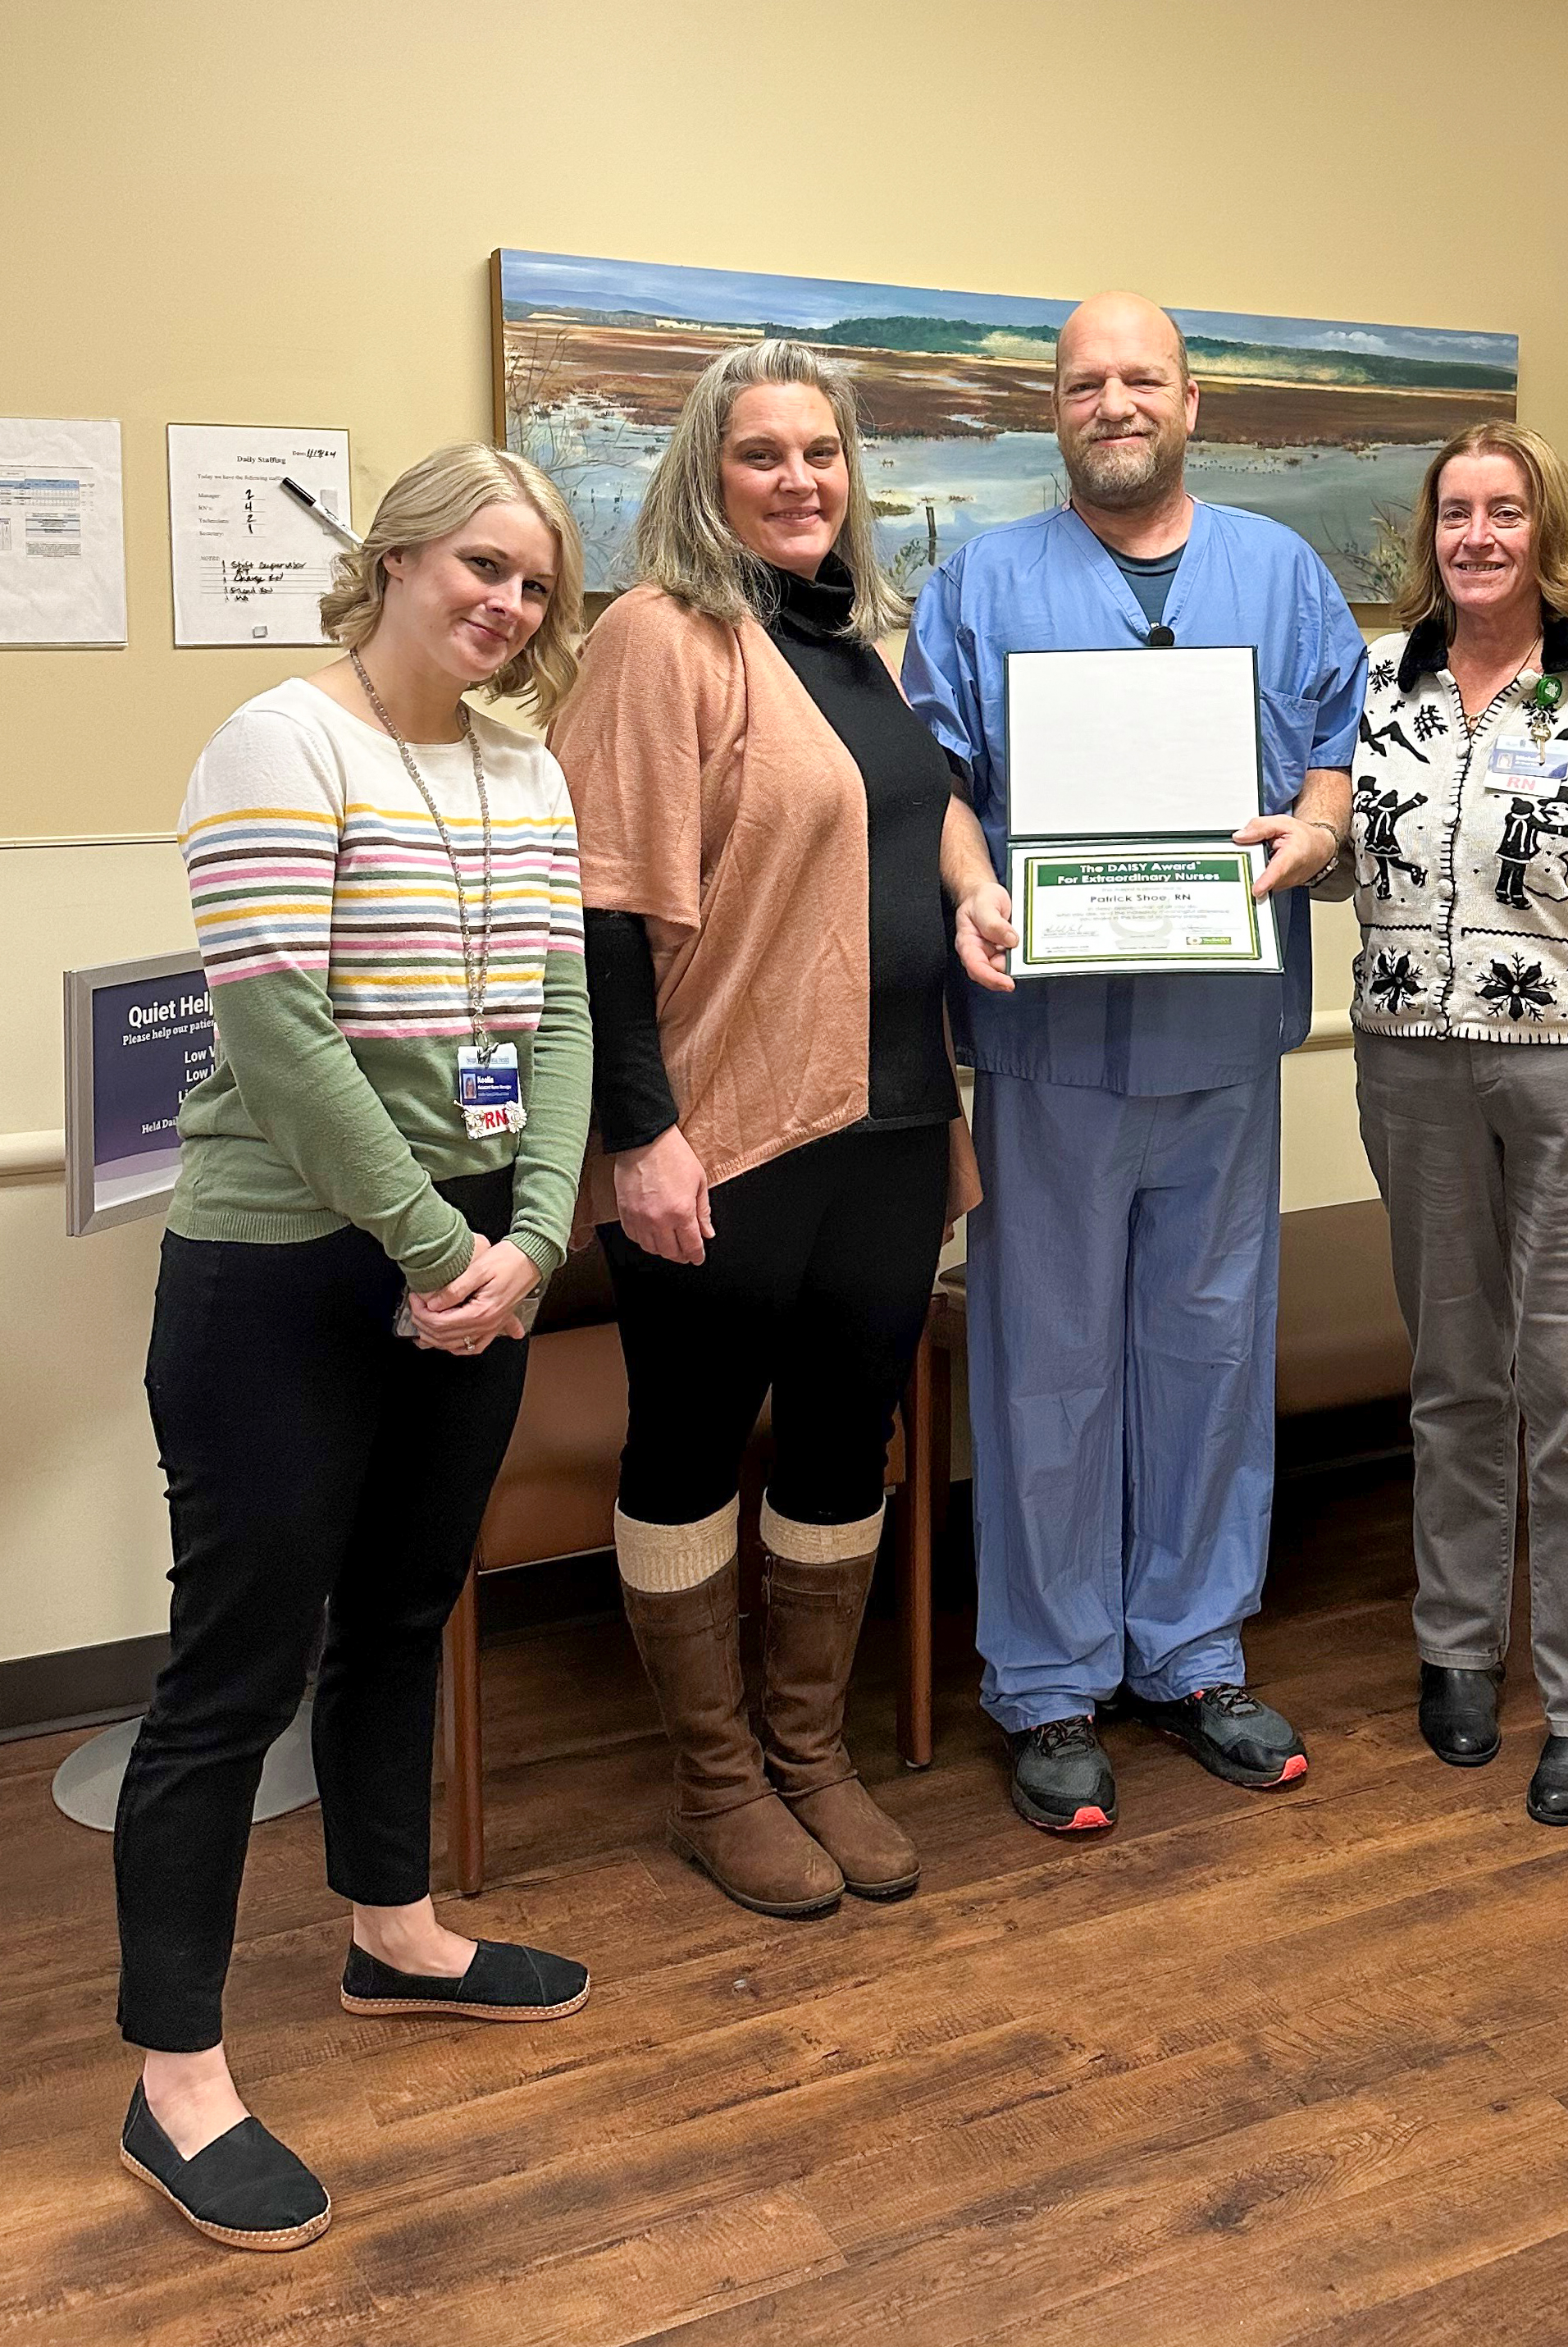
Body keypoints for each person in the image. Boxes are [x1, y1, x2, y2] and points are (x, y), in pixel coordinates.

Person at [112, 445, 595, 2250]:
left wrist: (533, 1237)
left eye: (536, 585)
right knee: (230, 1677)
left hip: (471, 1262)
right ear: (392, 560)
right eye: (481, 567)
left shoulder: (523, 767)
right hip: (286, 1276)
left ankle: (394, 1933)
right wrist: (439, 1241)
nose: (506, 606)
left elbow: (554, 1017)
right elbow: (281, 1040)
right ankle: (175, 2075)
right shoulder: (277, 744)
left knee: (404, 1611)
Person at [903, 291, 1367, 1833]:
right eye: (1085, 380)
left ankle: (1190, 1652)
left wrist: (1310, 832)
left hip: (1222, 1039)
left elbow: (1331, 757)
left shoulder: (1280, 573)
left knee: (1210, 1346)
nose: (1114, 400)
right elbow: (938, 786)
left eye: (1140, 377)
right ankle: (1046, 1684)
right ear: (1056, 407)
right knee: (1046, 1363)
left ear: (1190, 399)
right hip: (1044, 1042)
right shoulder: (977, 584)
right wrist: (970, 887)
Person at [550, 340, 982, 1921]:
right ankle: (716, 1781)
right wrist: (641, 1133)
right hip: (727, 1129)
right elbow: (602, 907)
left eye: (822, 452)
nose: (799, 480)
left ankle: (809, 1753)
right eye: (761, 456)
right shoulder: (659, 639)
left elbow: (910, 805)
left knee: (840, 1434)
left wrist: (977, 884)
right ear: (702, 474)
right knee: (684, 1443)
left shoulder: (852, 639)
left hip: (887, 1114)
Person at [1337, 419, 1568, 1824]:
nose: (1477, 536)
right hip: (1408, 1069)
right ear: (1425, 535)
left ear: (1543, 528)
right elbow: (1325, 844)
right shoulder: (1377, 684)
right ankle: (1454, 1644)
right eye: (1453, 513)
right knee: (1449, 1378)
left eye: (1503, 512)